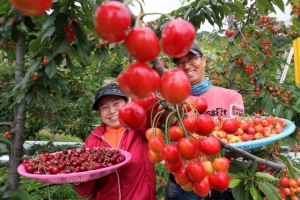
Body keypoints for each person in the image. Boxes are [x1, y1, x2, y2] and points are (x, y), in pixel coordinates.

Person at [165, 43, 245, 200]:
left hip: (223, 180)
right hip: (186, 184)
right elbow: (171, 127)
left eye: (191, 59)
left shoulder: (231, 97)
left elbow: (238, 137)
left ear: (203, 60)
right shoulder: (175, 101)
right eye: (180, 63)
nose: (186, 66)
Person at [73, 82, 156, 200]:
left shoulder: (140, 128)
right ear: (100, 113)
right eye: (104, 107)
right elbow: (86, 192)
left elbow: (151, 104)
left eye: (116, 103)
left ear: (127, 104)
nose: (111, 111)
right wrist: (78, 179)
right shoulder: (92, 142)